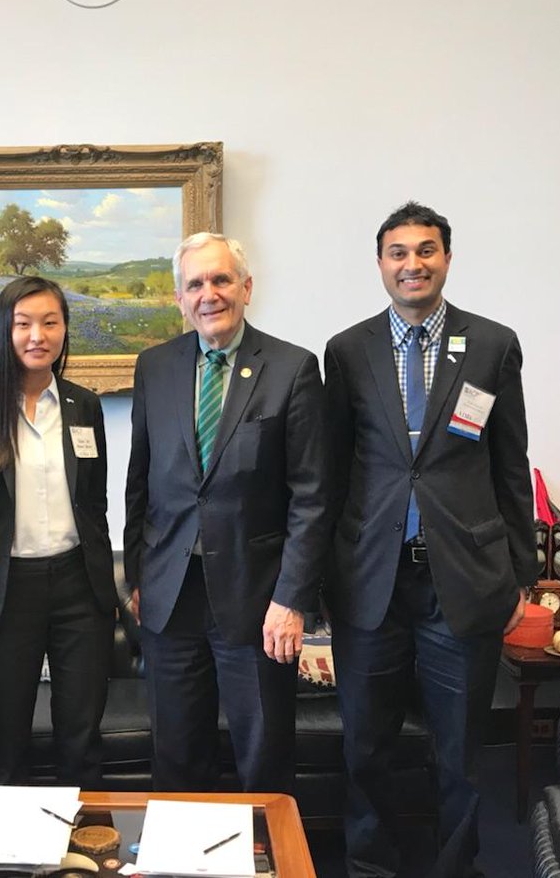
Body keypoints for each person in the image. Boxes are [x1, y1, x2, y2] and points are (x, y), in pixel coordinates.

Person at [324, 202, 535, 877]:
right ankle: (371, 866)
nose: (411, 264)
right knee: (367, 745)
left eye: (425, 250)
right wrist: (321, 580)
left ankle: (454, 868)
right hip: (370, 580)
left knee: (461, 750)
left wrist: (522, 577)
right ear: (380, 262)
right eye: (398, 252)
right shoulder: (348, 350)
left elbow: (509, 463)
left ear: (446, 257)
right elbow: (332, 471)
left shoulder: (493, 344)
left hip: (463, 580)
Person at [124, 232, 328, 792]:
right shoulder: (155, 367)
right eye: (195, 284)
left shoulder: (292, 369)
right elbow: (138, 482)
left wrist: (291, 600)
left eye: (220, 279)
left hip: (258, 600)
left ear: (246, 287)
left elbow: (312, 497)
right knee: (175, 757)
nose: (208, 294)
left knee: (262, 758)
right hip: (169, 597)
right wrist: (139, 576)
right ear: (179, 298)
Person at [0, 275, 116, 786]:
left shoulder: (85, 406)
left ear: (64, 330)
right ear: (4, 331)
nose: (37, 334)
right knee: (7, 733)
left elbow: (96, 506)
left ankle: (84, 850)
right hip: (5, 594)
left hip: (78, 589)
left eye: (50, 322)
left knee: (81, 733)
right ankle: (10, 856)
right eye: (23, 323)